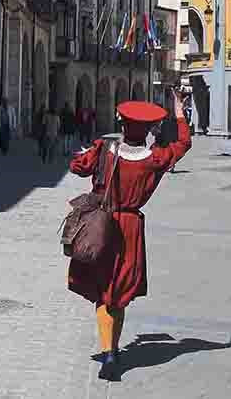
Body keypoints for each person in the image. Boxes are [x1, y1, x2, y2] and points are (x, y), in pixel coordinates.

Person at [68, 92, 192, 381]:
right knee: (119, 292)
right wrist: (179, 112)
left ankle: (108, 351)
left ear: (122, 124)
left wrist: (85, 154)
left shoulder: (103, 148)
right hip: (130, 228)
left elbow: (77, 167)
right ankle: (114, 349)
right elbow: (184, 143)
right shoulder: (154, 158)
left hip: (102, 224)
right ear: (148, 130)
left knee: (102, 290)